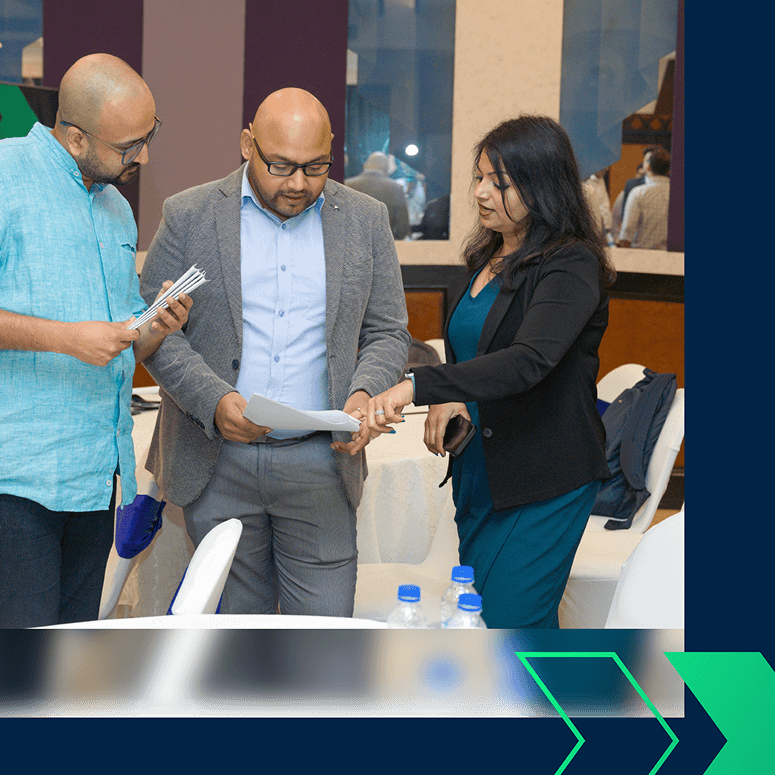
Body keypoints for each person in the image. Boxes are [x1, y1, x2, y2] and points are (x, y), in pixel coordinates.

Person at [0, 53, 192, 628]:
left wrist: (154, 324)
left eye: (148, 136)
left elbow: (119, 336)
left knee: (67, 663)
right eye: (130, 146)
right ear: (76, 136)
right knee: (20, 680)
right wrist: (63, 339)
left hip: (89, 473)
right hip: (6, 477)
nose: (145, 157)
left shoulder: (113, 209)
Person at [140, 88, 411, 616]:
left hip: (322, 462)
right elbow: (157, 331)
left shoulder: (365, 219)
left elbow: (388, 332)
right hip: (216, 461)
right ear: (247, 144)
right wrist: (215, 401)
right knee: (238, 647)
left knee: (324, 643)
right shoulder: (189, 215)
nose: (298, 184)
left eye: (316, 167)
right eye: (281, 165)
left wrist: (362, 393)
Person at [359, 114, 615, 629]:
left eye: (500, 183)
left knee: (507, 624)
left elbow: (529, 361)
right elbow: (474, 353)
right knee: (482, 623)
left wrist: (419, 385)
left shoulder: (571, 264)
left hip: (544, 475)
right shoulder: (486, 258)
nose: (481, 193)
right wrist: (452, 396)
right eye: (479, 177)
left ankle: (542, 707)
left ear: (543, 187)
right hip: (482, 472)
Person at [345, 151, 411, 239]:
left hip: (353, 243)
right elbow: (403, 225)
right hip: (383, 244)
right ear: (386, 169)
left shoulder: (347, 185)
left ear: (365, 165)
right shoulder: (396, 188)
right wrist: (396, 239)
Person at [617, 147, 670, 250]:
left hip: (641, 257)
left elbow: (627, 232)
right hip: (673, 258)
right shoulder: (678, 195)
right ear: (669, 170)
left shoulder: (638, 193)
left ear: (648, 167)